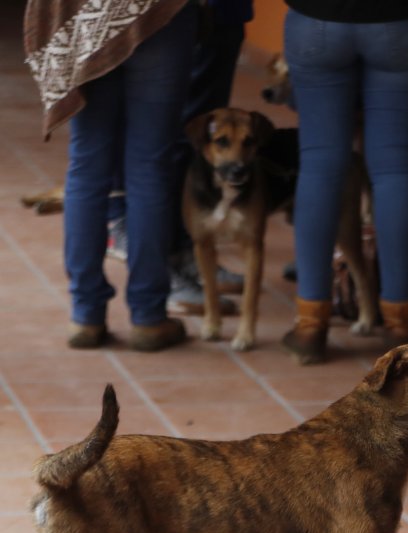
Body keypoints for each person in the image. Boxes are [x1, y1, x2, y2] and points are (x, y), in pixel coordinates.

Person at [25, 0, 198, 351]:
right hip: (160, 16)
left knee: (87, 167)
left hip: (84, 17)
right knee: (150, 166)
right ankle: (148, 317)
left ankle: (86, 315)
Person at [280, 0, 408, 364]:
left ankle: (310, 324)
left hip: (317, 19)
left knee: (320, 165)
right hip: (403, 23)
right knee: (395, 169)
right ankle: (401, 322)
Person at [106, 0, 254, 316]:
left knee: (201, 139)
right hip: (178, 11)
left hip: (223, 12)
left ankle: (187, 254)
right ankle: (163, 269)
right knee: (169, 142)